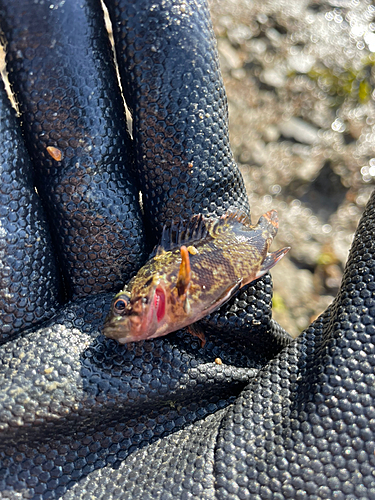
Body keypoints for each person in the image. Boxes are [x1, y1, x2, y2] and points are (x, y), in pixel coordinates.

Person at [0, 0, 374, 498]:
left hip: (238, 255)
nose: (119, 322)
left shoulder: (168, 294)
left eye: (123, 308)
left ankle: (262, 237)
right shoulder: (160, 308)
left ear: (149, 299)